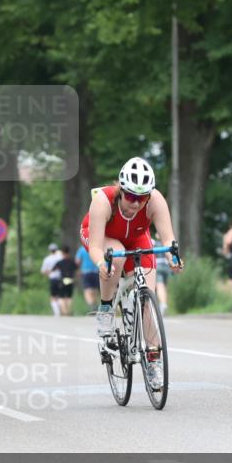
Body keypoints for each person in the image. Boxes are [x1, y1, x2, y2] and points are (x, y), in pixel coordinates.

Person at [80, 157, 182, 389]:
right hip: (101, 235)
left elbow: (168, 239)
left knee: (147, 300)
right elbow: (96, 247)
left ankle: (154, 362)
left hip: (136, 237)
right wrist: (101, 265)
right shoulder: (103, 201)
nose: (136, 204)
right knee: (116, 254)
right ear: (121, 191)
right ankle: (106, 308)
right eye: (131, 197)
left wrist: (174, 257)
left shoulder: (155, 200)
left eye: (142, 198)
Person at [40, 244, 63, 316]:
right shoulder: (60, 258)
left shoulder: (47, 259)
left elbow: (43, 271)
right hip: (61, 278)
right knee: (60, 295)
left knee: (53, 296)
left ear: (49, 250)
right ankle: (61, 310)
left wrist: (49, 272)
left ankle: (57, 312)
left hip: (53, 279)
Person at [75, 244, 99, 311]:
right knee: (94, 289)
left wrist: (78, 269)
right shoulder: (96, 247)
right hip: (96, 271)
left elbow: (77, 261)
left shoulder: (82, 249)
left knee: (87, 290)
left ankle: (92, 305)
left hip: (85, 271)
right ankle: (95, 304)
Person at [54, 245, 77, 316]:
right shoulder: (72, 261)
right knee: (69, 296)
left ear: (62, 253)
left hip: (63, 279)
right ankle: (68, 310)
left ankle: (64, 312)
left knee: (61, 296)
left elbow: (54, 270)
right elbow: (77, 270)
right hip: (70, 279)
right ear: (69, 252)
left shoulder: (60, 262)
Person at [153, 237, 171, 315]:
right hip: (166, 267)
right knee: (164, 286)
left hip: (158, 266)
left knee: (159, 286)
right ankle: (163, 303)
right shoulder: (167, 243)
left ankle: (162, 304)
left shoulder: (153, 243)